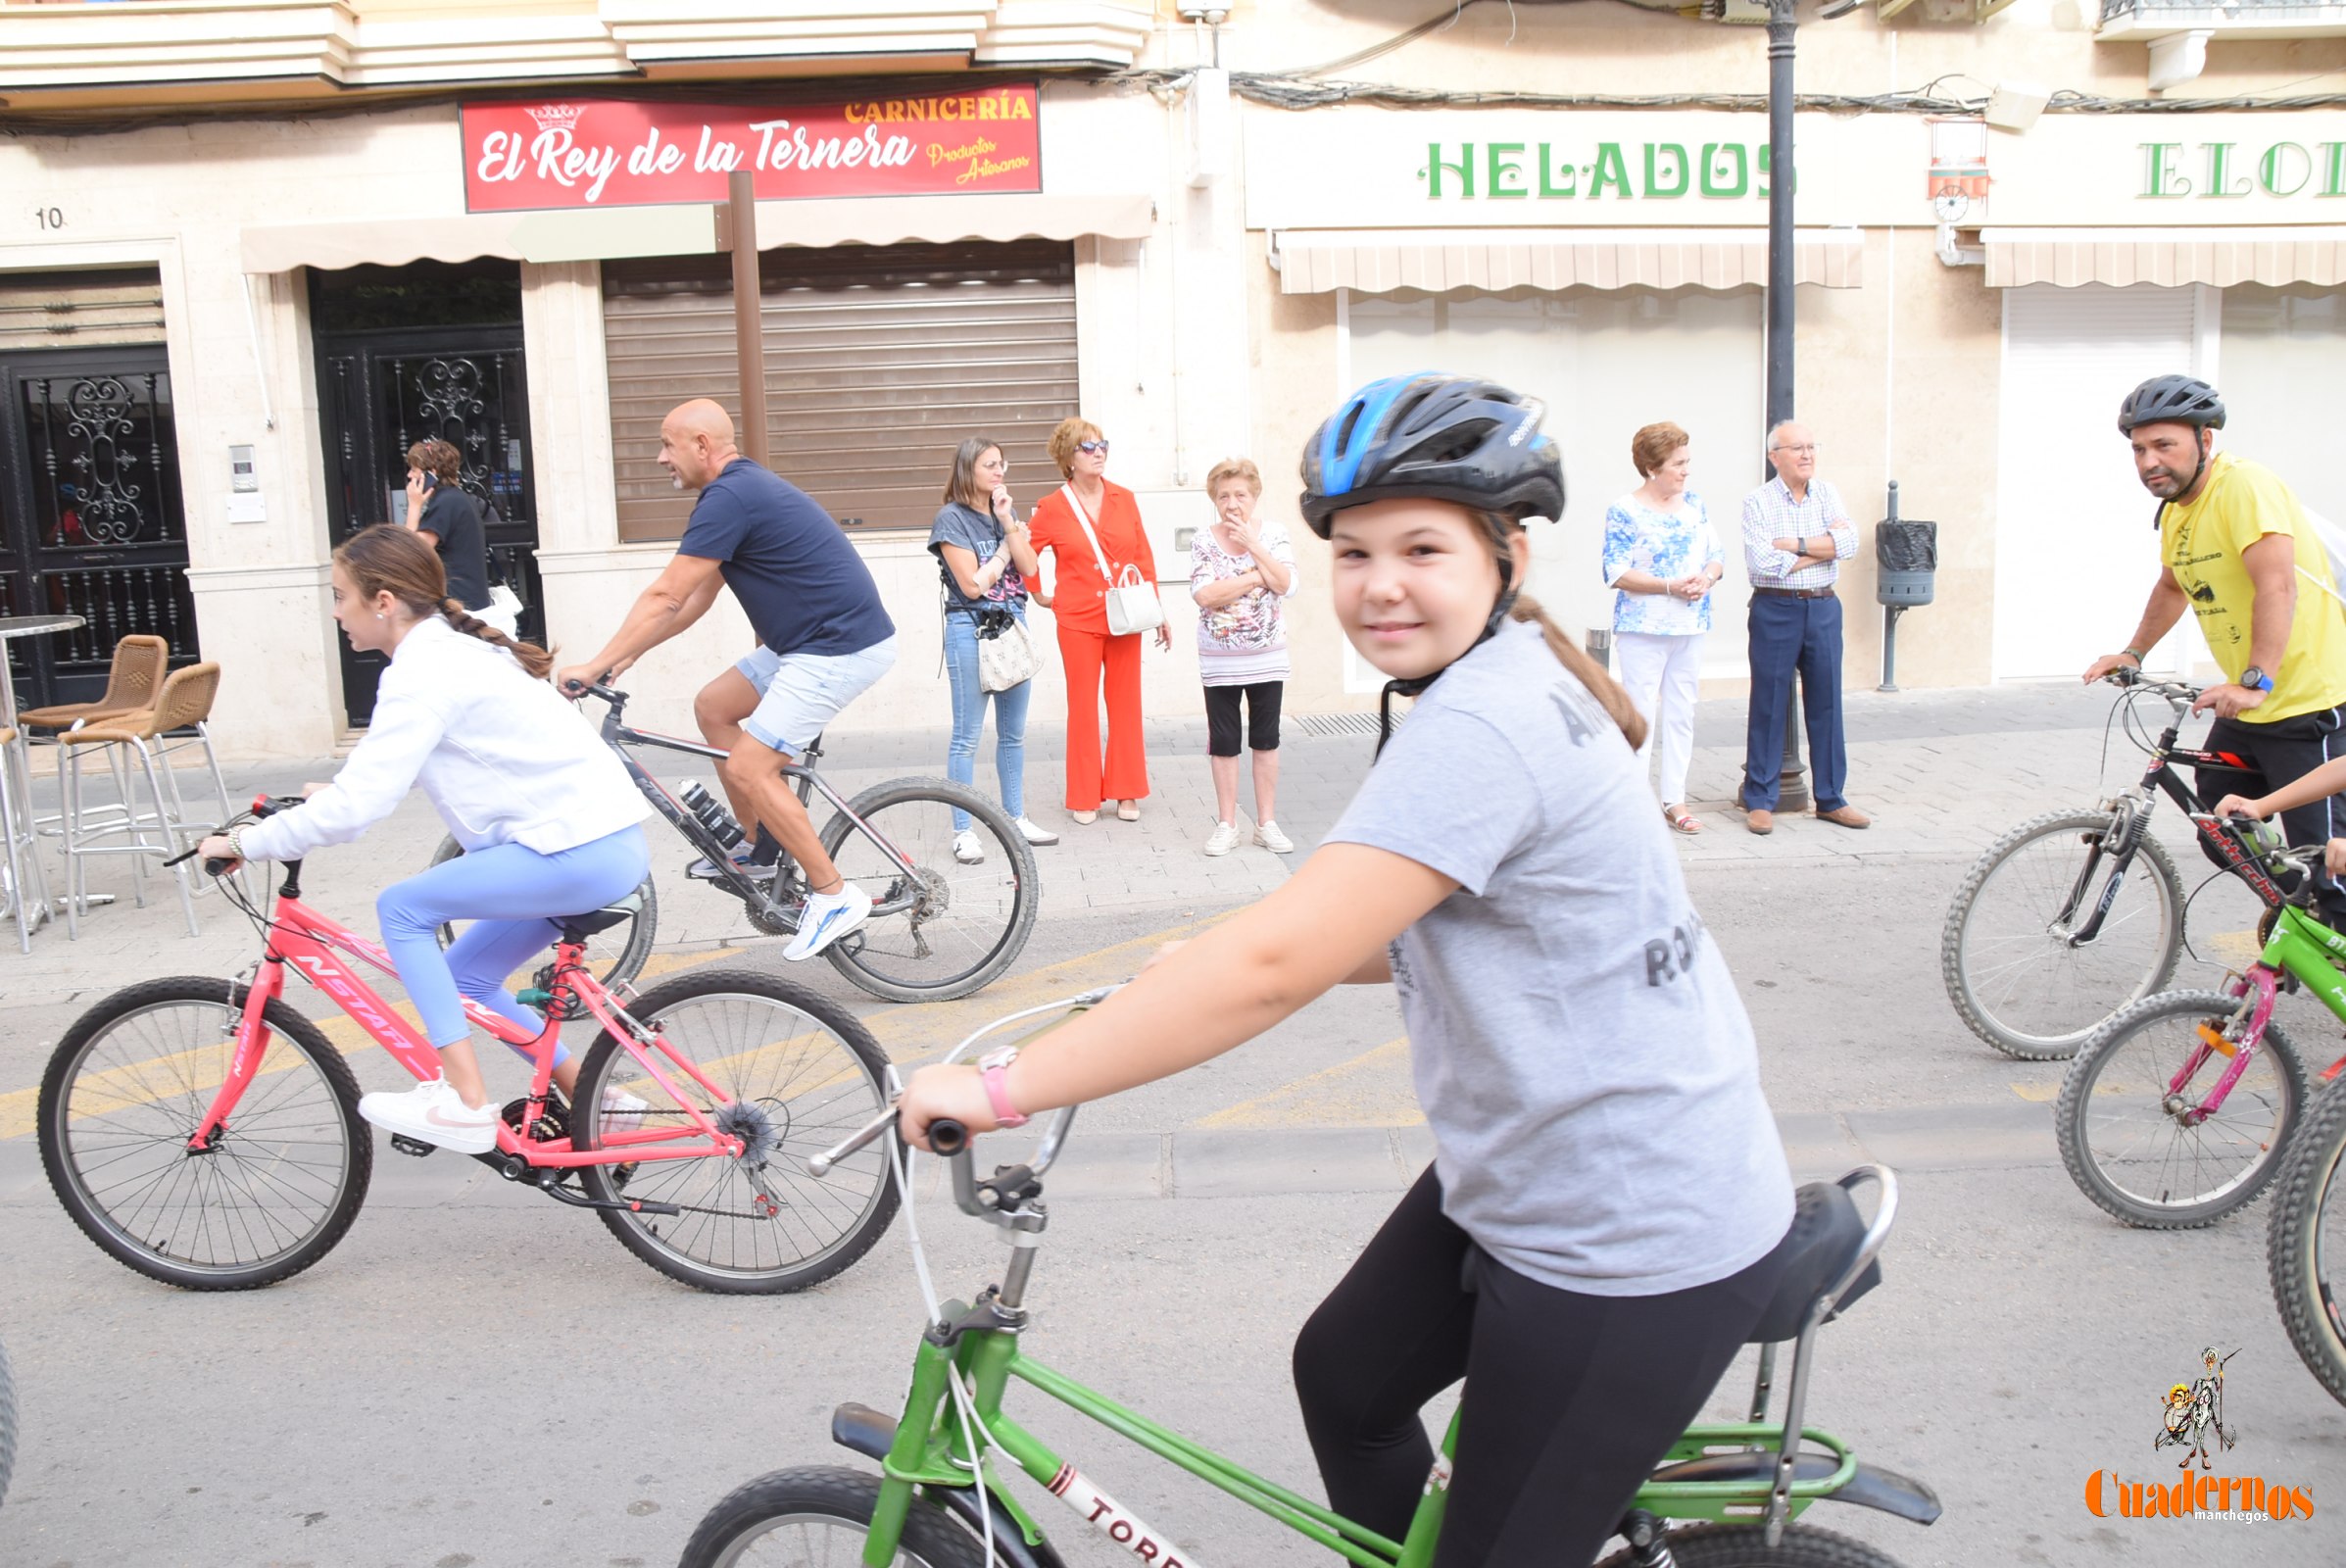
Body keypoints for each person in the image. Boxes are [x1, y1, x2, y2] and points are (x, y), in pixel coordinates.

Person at [899, 373, 1797, 1568]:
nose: (1381, 583)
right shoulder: (1513, 679)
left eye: (1423, 547)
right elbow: (1429, 920)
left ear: (1506, 556)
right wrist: (1212, 965)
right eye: (1355, 550)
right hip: (1541, 1175)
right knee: (1348, 1379)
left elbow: (1271, 963)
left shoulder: (1485, 719)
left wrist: (1003, 1088)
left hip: (1625, 1234)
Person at [198, 526, 651, 1154]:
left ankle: (461, 1101)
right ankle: (601, 1097)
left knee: (402, 908)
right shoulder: (457, 652)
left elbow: (361, 812)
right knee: (465, 977)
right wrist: (332, 796)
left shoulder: (422, 671)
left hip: (572, 852)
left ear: (382, 601)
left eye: (339, 595)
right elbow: (446, 761)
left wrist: (249, 842)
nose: (335, 612)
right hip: (601, 845)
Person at [555, 400, 898, 962]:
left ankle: (833, 895)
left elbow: (665, 594)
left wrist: (593, 665)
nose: (661, 458)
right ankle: (762, 843)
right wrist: (625, 658)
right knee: (714, 707)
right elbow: (693, 599)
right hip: (806, 644)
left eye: (668, 445)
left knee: (749, 765)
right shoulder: (733, 494)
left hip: (838, 646)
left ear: (702, 445)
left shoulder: (730, 497)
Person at [2087, 374, 2346, 921]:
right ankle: (2297, 916)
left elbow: (2278, 585)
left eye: (2164, 446)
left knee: (2329, 865)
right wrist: (2133, 653)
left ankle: (2327, 923)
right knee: (2218, 824)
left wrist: (2255, 682)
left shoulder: (2244, 487)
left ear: (2205, 441)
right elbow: (2173, 585)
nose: (2149, 462)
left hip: (2307, 702)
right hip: (2251, 707)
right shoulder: (2179, 509)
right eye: (2139, 449)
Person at [1025, 416, 1170, 823]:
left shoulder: (1124, 497)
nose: (1099, 452)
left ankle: (1126, 792)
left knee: (1126, 704)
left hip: (1125, 614)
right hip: (1077, 617)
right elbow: (1025, 553)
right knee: (1083, 707)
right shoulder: (1052, 507)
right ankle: (1085, 795)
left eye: (1102, 445)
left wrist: (1156, 609)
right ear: (1068, 457)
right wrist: (1037, 593)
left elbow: (1143, 557)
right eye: (1088, 447)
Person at [930, 436, 1058, 862]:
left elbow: (1031, 567)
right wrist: (1005, 549)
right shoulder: (951, 519)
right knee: (966, 737)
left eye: (1002, 463)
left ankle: (1015, 817)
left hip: (1011, 628)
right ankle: (963, 831)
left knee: (1013, 734)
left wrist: (1007, 524)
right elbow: (971, 584)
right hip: (970, 627)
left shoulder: (1005, 511)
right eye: (990, 464)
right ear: (969, 469)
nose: (999, 471)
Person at [1738, 420, 1868, 835]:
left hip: (1823, 607)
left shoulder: (1827, 493)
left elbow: (1850, 544)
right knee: (1769, 704)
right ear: (1775, 456)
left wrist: (1794, 545)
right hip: (1775, 609)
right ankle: (1760, 799)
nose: (1807, 455)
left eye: (1811, 446)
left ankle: (1831, 798)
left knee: (1827, 703)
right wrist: (1823, 547)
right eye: (1797, 448)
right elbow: (1762, 564)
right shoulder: (1757, 502)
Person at [1603, 421, 1724, 836]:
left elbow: (1716, 555)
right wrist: (1669, 586)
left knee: (1681, 714)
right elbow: (1616, 571)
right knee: (1640, 714)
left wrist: (1706, 578)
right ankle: (1634, 802)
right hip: (1644, 627)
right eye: (1678, 463)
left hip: (1691, 623)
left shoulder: (1696, 505)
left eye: (1687, 461)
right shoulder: (1625, 510)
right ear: (1653, 467)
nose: (1686, 470)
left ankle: (1675, 798)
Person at [1189, 457, 1297, 856]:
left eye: (1240, 495)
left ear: (1254, 496)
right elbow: (1204, 595)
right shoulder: (1204, 539)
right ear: (1214, 501)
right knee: (1224, 742)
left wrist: (1253, 547)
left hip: (1266, 656)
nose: (1232, 504)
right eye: (1224, 496)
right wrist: (1255, 576)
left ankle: (1266, 822)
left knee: (1266, 740)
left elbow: (1286, 583)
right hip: (1219, 659)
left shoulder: (1275, 534)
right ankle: (1227, 823)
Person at [402, 438, 508, 635]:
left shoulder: (446, 502)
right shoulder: (455, 498)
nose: (409, 475)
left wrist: (414, 505)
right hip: (464, 602)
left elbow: (411, 552)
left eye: (414, 469)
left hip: (458, 604)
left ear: (431, 472)